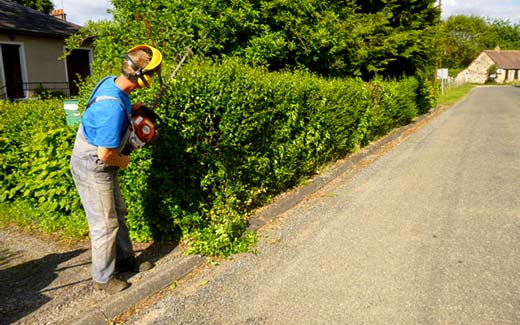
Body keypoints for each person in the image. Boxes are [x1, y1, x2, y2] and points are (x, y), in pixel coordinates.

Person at [70, 45, 162, 294]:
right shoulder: (111, 108)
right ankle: (103, 279)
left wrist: (131, 110)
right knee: (104, 224)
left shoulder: (113, 84)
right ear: (139, 75)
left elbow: (114, 107)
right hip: (93, 165)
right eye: (151, 73)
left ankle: (125, 261)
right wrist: (124, 161)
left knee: (118, 212)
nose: (153, 78)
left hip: (101, 163)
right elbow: (106, 154)